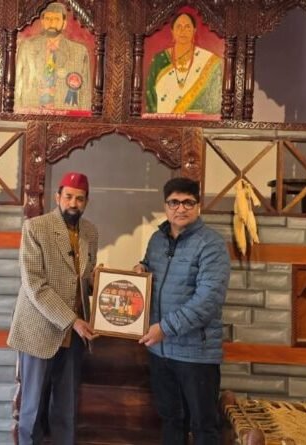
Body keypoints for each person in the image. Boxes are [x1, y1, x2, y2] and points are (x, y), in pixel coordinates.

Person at [134, 177, 231, 445]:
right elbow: (149, 267)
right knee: (171, 420)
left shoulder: (211, 244)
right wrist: (140, 269)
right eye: (174, 202)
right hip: (160, 352)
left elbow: (208, 300)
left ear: (198, 206)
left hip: (196, 354)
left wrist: (165, 328)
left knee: (203, 426)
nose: (181, 208)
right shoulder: (157, 239)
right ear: (165, 206)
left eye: (188, 202)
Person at [7, 171, 99, 445]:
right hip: (40, 330)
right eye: (68, 197)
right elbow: (35, 285)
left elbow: (84, 280)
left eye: (80, 199)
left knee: (66, 411)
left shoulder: (90, 232)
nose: (73, 203)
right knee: (32, 410)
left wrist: (105, 283)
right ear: (57, 197)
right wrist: (72, 320)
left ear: (86, 202)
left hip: (75, 337)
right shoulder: (36, 228)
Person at [15, 2, 91, 112]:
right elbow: (17, 85)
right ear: (42, 21)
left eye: (56, 19)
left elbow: (85, 93)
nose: (51, 23)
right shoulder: (27, 47)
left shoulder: (79, 52)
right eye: (48, 19)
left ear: (64, 23)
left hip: (65, 115)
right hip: (31, 112)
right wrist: (18, 113)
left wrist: (83, 118)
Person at [145, 12, 223, 115]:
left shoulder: (209, 61)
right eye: (179, 27)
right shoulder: (159, 60)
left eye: (187, 27)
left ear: (194, 31)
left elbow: (214, 100)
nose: (183, 31)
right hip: (163, 122)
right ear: (172, 31)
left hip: (198, 122)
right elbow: (150, 97)